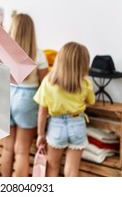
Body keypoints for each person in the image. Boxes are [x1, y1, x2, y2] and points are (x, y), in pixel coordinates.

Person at [33, 41, 95, 177]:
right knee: (72, 171)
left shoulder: (49, 81)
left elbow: (42, 112)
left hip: (56, 126)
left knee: (52, 167)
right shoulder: (85, 82)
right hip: (78, 123)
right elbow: (91, 101)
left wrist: (40, 134)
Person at [0, 13, 49, 177]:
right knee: (21, 152)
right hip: (27, 100)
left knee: (7, 148)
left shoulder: (3, 53)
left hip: (7, 97)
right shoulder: (39, 55)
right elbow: (45, 86)